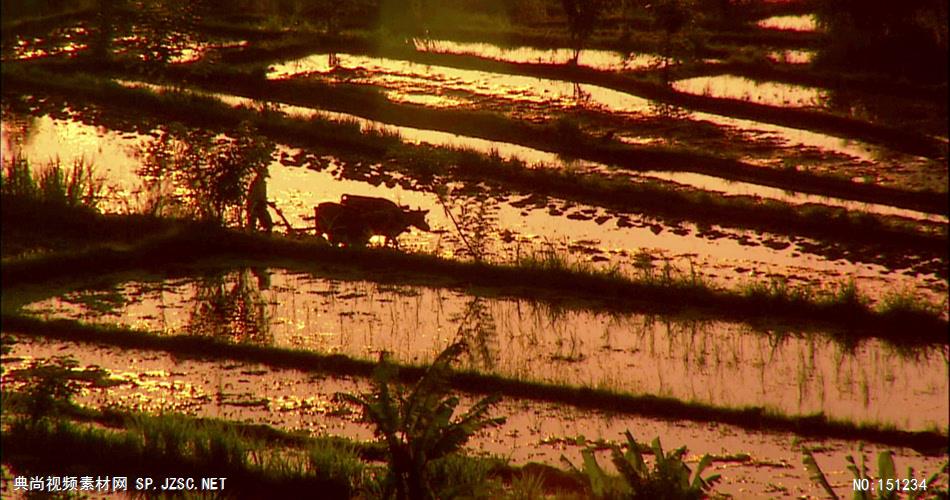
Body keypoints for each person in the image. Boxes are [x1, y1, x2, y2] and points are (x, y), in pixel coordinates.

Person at [246, 166, 273, 233]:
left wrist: (267, 202)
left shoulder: (263, 183)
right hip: (256, 206)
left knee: (268, 224)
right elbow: (254, 197)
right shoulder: (255, 184)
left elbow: (262, 197)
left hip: (261, 205)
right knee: (253, 224)